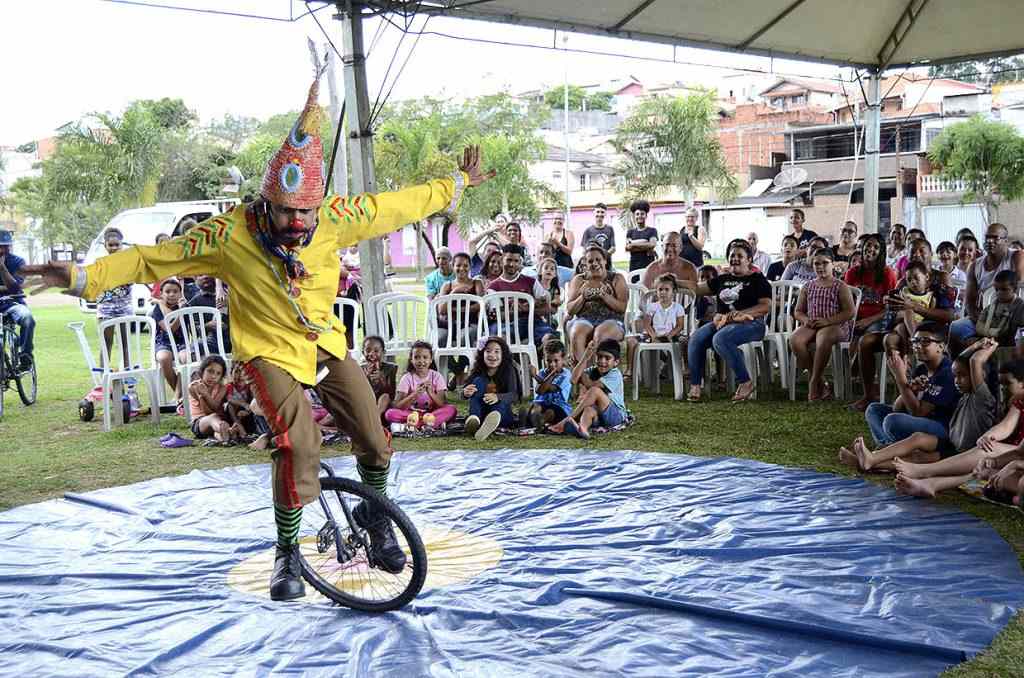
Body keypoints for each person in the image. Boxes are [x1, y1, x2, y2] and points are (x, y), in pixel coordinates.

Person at [23, 70, 495, 602]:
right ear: (265, 203)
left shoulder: (339, 216)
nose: (297, 222)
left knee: (372, 432)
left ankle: (374, 515)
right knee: (300, 443)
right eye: (287, 212)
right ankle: (287, 552)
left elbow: (401, 204)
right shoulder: (228, 233)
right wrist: (85, 276)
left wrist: (457, 185)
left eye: (306, 213)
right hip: (266, 353)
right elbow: (153, 260)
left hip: (323, 344)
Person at [840, 339, 999, 473]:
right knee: (918, 439)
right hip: (951, 442)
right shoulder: (965, 393)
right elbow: (962, 361)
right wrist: (974, 346)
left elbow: (974, 361)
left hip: (965, 452)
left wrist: (987, 346)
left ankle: (869, 462)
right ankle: (872, 457)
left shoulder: (982, 398)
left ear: (980, 375)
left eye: (962, 376)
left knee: (919, 458)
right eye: (956, 376)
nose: (956, 380)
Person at [892, 357, 1024, 499]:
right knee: (987, 463)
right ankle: (929, 482)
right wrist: (989, 436)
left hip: (1011, 457)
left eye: (1007, 384)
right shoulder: (1019, 403)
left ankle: (924, 472)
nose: (1002, 388)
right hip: (1010, 454)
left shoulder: (982, 397)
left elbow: (974, 360)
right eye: (1001, 384)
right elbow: (1006, 427)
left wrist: (1013, 464)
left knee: (991, 459)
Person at [680, 240, 772, 403]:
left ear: (749, 259)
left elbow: (765, 306)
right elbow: (696, 288)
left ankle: (745, 382)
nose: (735, 258)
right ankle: (695, 385)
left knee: (720, 338)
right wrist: (674, 281)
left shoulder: (758, 279)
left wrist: (738, 315)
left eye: (740, 256)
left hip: (751, 324)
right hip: (723, 323)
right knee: (696, 338)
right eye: (732, 255)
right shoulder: (722, 279)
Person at [863, 323, 959, 453]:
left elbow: (918, 412)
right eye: (915, 341)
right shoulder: (921, 369)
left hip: (942, 428)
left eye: (925, 341)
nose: (918, 346)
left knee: (892, 421)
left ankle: (889, 449)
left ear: (941, 346)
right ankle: (889, 446)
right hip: (921, 421)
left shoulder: (947, 373)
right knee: (874, 410)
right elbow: (897, 408)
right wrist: (910, 387)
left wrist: (900, 378)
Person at [789, 249, 855, 401]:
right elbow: (798, 311)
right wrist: (805, 320)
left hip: (836, 325)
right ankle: (819, 380)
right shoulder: (808, 286)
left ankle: (813, 382)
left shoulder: (840, 285)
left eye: (825, 263)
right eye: (816, 263)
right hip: (812, 324)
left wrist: (828, 321)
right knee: (795, 340)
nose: (820, 267)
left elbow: (850, 312)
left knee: (823, 336)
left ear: (833, 265)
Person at [950, 223, 1024, 355]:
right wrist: (982, 322)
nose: (990, 241)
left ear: (1006, 241)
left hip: (1012, 315)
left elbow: (1019, 289)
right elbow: (969, 302)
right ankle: (957, 370)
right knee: (956, 327)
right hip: (985, 316)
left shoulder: (1017, 256)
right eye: (987, 237)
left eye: (995, 238)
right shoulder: (974, 266)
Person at [846, 233, 899, 410]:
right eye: (868, 245)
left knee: (864, 340)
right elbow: (847, 301)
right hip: (854, 318)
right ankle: (855, 381)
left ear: (881, 251)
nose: (871, 249)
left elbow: (890, 307)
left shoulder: (887, 273)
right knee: (847, 338)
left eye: (876, 247)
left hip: (879, 318)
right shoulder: (852, 273)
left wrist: (868, 320)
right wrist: (854, 320)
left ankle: (869, 389)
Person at [549, 338, 627, 439]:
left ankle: (566, 420)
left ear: (616, 362)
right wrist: (585, 357)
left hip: (616, 417)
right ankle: (582, 429)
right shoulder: (594, 370)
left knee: (595, 391)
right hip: (600, 415)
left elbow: (590, 385)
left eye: (607, 358)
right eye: (599, 357)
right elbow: (573, 380)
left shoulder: (615, 374)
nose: (602, 361)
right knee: (588, 410)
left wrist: (582, 374)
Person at [565, 246, 629, 364]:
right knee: (576, 332)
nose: (594, 263)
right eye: (590, 261)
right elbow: (570, 310)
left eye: (598, 259)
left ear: (605, 260)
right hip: (584, 319)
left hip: (612, 320)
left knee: (600, 334)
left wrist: (605, 296)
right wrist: (582, 297)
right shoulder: (579, 280)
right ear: (585, 264)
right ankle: (584, 377)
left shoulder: (616, 278)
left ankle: (597, 375)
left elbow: (622, 308)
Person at [485, 244, 552, 346]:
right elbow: (497, 316)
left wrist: (527, 309)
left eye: (516, 261)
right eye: (509, 260)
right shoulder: (493, 286)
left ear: (520, 262)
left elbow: (546, 308)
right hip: (506, 325)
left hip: (533, 323)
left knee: (549, 338)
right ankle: (510, 361)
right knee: (501, 337)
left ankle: (539, 359)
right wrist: (516, 310)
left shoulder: (530, 281)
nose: (512, 264)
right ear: (502, 259)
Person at [625, 273, 687, 379]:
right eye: (660, 289)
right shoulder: (652, 307)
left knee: (686, 341)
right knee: (631, 341)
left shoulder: (678, 307)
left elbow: (680, 326)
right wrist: (653, 336)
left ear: (674, 292)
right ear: (656, 291)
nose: (663, 292)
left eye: (666, 289)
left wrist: (670, 335)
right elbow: (647, 324)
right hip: (652, 335)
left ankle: (686, 368)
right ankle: (630, 370)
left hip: (671, 335)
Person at [385, 341, 457, 430]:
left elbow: (442, 404)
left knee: (452, 409)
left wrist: (431, 392)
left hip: (431, 414)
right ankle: (429, 424)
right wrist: (415, 394)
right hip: (411, 414)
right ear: (411, 360)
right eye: (416, 357)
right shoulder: (407, 378)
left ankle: (414, 425)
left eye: (425, 357)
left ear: (430, 360)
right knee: (390, 413)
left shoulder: (437, 376)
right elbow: (398, 406)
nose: (421, 361)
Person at [462, 336, 521, 441]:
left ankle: (490, 424)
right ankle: (474, 420)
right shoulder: (478, 369)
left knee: (500, 404)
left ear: (503, 354)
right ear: (482, 354)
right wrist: (465, 392)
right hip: (481, 411)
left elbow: (514, 395)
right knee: (478, 381)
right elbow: (464, 393)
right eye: (488, 351)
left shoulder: (509, 370)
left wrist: (498, 397)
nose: (492, 355)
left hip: (501, 413)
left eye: (497, 351)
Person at [94, 228, 135, 370]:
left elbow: (129, 283)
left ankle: (127, 375)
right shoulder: (99, 264)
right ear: (105, 246)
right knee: (106, 344)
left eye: (117, 245)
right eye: (111, 245)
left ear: (121, 245)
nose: (114, 248)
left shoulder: (128, 263)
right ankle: (104, 377)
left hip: (125, 309)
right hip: (105, 311)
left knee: (125, 344)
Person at [0, 229, 34, 370]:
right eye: (0, 246)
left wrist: (2, 268)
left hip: (12, 303)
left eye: (6, 246)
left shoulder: (18, 262)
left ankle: (25, 355)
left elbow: (14, 288)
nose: (3, 250)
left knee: (27, 319)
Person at [151, 279, 186, 396]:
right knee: (163, 358)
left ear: (180, 294)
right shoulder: (157, 310)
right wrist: (161, 304)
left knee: (186, 357)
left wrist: (182, 309)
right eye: (168, 291)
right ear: (161, 294)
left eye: (175, 291)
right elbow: (170, 328)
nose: (171, 294)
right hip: (163, 342)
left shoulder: (185, 306)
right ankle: (181, 396)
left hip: (182, 342)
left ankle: (178, 396)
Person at [188, 354, 234, 442]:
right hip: (200, 423)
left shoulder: (222, 388)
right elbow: (207, 412)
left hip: (218, 421)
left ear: (221, 376)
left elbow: (215, 407)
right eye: (210, 371)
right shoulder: (194, 386)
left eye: (218, 373)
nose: (213, 376)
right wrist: (203, 395)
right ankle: (227, 430)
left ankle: (225, 437)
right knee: (213, 417)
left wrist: (205, 394)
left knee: (216, 429)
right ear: (202, 371)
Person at [528, 339, 573, 429]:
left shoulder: (566, 374)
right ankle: (531, 419)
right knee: (535, 407)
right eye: (548, 361)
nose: (552, 364)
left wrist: (535, 376)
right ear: (544, 359)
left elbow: (550, 388)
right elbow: (539, 390)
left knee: (550, 412)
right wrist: (537, 376)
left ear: (563, 359)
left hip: (558, 406)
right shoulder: (542, 372)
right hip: (542, 402)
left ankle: (540, 422)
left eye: (556, 361)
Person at [973, 270, 1024, 347]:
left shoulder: (1020, 307)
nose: (999, 293)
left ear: (1015, 289)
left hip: (1008, 345)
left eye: (1004, 289)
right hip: (987, 340)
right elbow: (979, 325)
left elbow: (1015, 334)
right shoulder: (992, 306)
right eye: (996, 289)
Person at [360, 335, 398, 422]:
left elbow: (392, 395)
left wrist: (382, 379)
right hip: (366, 402)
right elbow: (357, 392)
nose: (371, 354)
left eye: (376, 351)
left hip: (383, 405)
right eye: (368, 350)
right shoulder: (360, 369)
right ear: (363, 352)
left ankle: (374, 420)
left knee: (385, 396)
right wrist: (365, 377)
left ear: (383, 352)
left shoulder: (391, 368)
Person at [625, 200, 658, 273]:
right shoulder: (630, 232)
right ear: (634, 216)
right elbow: (628, 248)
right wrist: (646, 242)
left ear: (646, 215)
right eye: (637, 214)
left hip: (648, 265)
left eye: (642, 214)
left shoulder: (652, 230)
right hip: (634, 266)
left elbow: (652, 244)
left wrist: (633, 244)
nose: (639, 216)